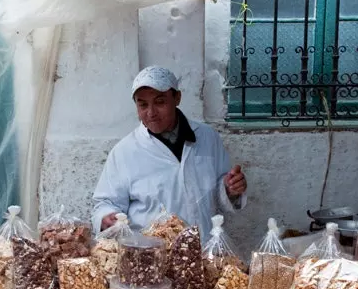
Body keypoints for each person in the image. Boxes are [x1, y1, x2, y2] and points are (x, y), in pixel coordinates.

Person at [91, 66, 248, 237]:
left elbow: (219, 192)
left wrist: (230, 189)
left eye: (160, 102)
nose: (151, 113)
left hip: (202, 248)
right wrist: (106, 217)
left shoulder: (208, 138)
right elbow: (105, 203)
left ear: (177, 98)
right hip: (152, 255)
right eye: (143, 105)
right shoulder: (125, 152)